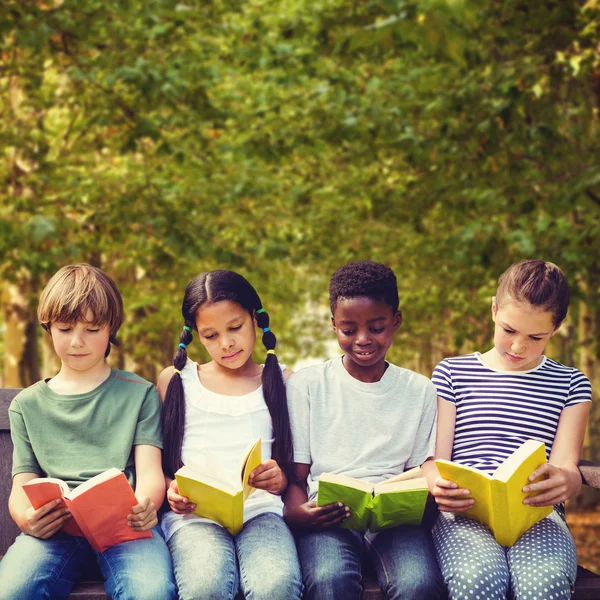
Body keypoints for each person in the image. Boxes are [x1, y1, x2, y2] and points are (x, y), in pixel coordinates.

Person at [0, 263, 176, 600]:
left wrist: (146, 505)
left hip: (126, 527)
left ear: (111, 329)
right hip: (56, 533)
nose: (77, 342)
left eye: (92, 330)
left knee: (150, 591)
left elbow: (150, 473)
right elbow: (22, 483)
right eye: (65, 329)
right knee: (12, 589)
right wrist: (26, 519)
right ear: (48, 327)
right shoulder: (26, 405)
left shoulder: (139, 393)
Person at [428, 259, 591, 600]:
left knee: (543, 582)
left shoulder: (572, 384)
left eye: (536, 337)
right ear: (493, 309)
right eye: (509, 330)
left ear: (556, 327)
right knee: (476, 579)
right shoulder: (452, 374)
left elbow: (566, 467)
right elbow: (436, 460)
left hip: (535, 515)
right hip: (464, 514)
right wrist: (437, 483)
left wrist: (565, 480)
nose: (518, 347)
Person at [284, 260, 444, 600]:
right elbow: (298, 476)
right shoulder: (307, 385)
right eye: (348, 329)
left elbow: (418, 471)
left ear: (395, 321)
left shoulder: (419, 390)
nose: (362, 340)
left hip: (394, 521)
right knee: (329, 580)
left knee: (419, 584)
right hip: (328, 518)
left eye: (376, 327)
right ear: (333, 326)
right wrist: (297, 513)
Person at [159, 269, 303, 600]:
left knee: (276, 585)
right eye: (210, 335)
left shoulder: (282, 381)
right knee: (205, 586)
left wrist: (278, 479)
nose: (226, 343)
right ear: (195, 334)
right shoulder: (178, 381)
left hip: (261, 510)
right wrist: (172, 490)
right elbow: (162, 463)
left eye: (235, 327)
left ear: (256, 318)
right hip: (195, 516)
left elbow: (292, 471)